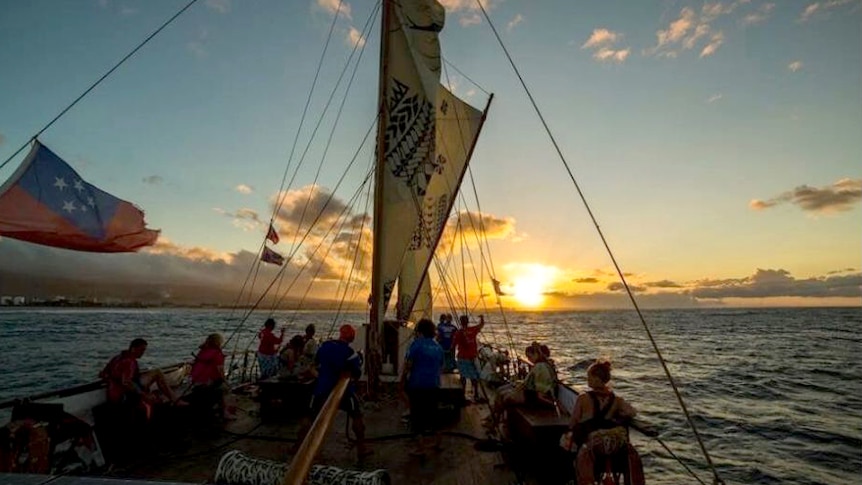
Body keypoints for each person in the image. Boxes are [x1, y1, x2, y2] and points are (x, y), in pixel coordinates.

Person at [298, 324, 369, 459]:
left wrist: (322, 376)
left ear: (340, 334)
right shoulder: (350, 353)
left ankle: (299, 447)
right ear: (352, 338)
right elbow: (356, 374)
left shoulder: (325, 346)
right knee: (357, 416)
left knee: (310, 417)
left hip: (322, 389)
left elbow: (314, 365)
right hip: (344, 391)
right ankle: (361, 449)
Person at [567, 360, 641, 485]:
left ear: (596, 379)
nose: (588, 380)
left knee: (566, 442)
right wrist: (617, 416)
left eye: (589, 377)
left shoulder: (583, 398)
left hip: (594, 444)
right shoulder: (616, 400)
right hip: (612, 444)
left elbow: (573, 422)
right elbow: (632, 412)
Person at [100, 338, 186, 419]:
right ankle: (175, 400)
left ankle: (171, 398)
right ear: (133, 349)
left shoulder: (117, 358)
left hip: (113, 392)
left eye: (144, 350)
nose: (143, 353)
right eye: (141, 350)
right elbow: (126, 383)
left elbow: (103, 374)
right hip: (123, 394)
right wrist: (144, 395)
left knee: (151, 373)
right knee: (157, 372)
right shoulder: (129, 361)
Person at [400, 318, 444, 457]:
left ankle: (420, 448)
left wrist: (402, 380)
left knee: (417, 416)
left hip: (418, 385)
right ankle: (438, 443)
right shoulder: (438, 347)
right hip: (434, 384)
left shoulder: (416, 345)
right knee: (434, 414)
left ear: (419, 331)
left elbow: (408, 364)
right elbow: (441, 366)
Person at [491, 342, 557, 422]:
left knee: (506, 397)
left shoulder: (540, 367)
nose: (529, 359)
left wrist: (552, 405)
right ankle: (495, 418)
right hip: (532, 393)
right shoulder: (539, 365)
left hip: (535, 397)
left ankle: (495, 420)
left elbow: (541, 393)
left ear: (536, 354)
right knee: (502, 392)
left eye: (530, 357)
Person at [190, 333, 235, 420]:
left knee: (218, 383)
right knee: (225, 388)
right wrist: (227, 383)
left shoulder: (202, 351)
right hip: (206, 382)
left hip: (195, 381)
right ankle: (225, 412)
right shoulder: (217, 354)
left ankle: (216, 406)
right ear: (218, 342)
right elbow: (221, 372)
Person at [451, 314, 485, 402]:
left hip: (462, 358)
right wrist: (482, 318)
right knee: (474, 377)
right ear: (467, 321)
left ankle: (462, 395)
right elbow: (481, 325)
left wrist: (450, 356)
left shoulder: (458, 332)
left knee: (463, 377)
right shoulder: (472, 330)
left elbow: (453, 345)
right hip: (472, 357)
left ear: (460, 322)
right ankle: (476, 394)